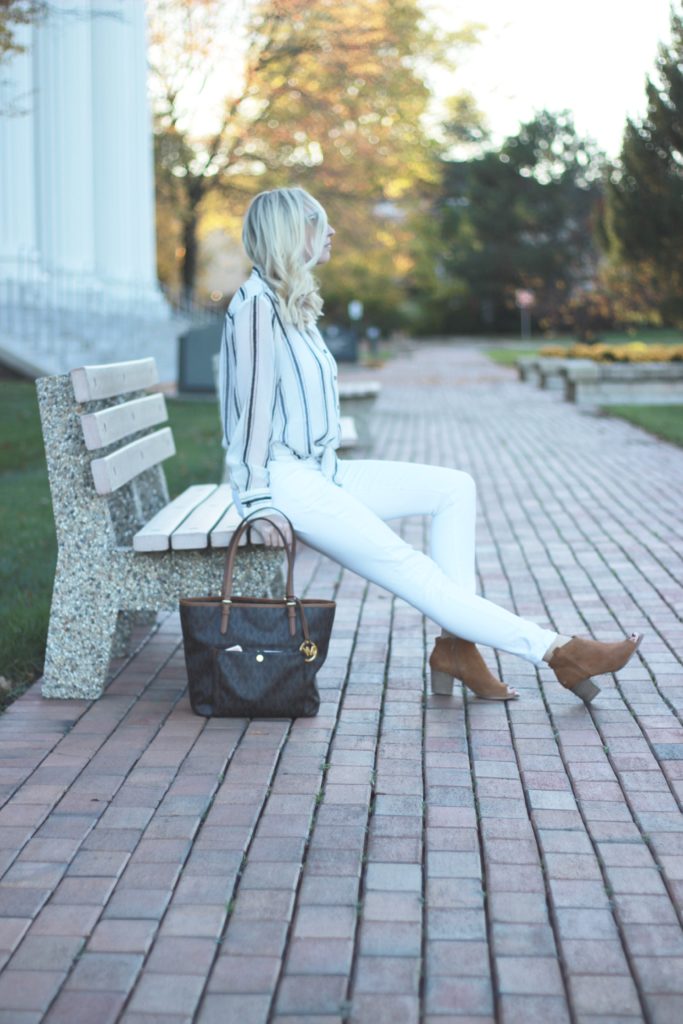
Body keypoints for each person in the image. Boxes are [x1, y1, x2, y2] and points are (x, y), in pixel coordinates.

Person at [217, 186, 641, 703]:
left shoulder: (290, 303)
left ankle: (457, 648)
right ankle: (560, 652)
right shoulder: (257, 307)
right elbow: (251, 415)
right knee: (409, 564)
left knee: (453, 487)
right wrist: (258, 502)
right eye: (319, 223)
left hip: (321, 470)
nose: (330, 232)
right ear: (290, 233)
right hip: (283, 482)